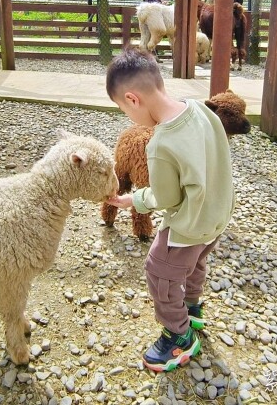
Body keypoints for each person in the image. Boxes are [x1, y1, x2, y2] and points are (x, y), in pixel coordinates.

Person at [104, 48, 235, 372]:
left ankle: (179, 335)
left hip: (190, 224)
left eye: (124, 109)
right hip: (218, 215)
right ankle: (192, 308)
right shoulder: (200, 108)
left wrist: (133, 199)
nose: (129, 117)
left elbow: (165, 197)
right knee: (195, 261)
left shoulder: (161, 143)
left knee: (159, 270)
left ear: (133, 99)